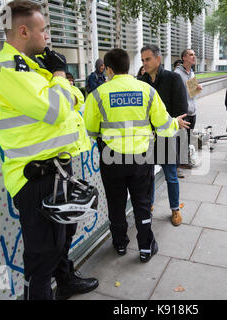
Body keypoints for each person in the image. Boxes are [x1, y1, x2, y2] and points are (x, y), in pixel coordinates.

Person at [0, 0, 98, 300]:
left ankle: (66, 282)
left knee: (61, 241)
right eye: (43, 30)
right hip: (35, 178)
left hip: (57, 170)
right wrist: (59, 77)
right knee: (41, 258)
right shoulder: (5, 69)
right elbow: (59, 108)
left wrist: (61, 86)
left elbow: (77, 99)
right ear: (23, 30)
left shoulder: (32, 67)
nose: (47, 36)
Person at [83, 48, 189, 262]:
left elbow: (90, 129)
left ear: (109, 69)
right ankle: (145, 248)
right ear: (128, 66)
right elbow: (163, 124)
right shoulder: (146, 90)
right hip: (141, 158)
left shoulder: (98, 94)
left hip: (111, 159)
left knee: (116, 203)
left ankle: (120, 244)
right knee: (142, 203)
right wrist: (174, 124)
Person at [140, 44, 188, 226]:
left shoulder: (173, 78)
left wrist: (166, 124)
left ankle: (175, 209)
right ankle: (150, 205)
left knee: (171, 176)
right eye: (142, 60)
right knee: (148, 175)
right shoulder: (141, 81)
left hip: (167, 136)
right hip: (147, 137)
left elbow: (182, 110)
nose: (144, 63)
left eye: (148, 59)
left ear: (158, 59)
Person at [174, 49, 203, 169]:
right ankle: (179, 162)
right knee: (181, 138)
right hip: (183, 112)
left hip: (192, 110)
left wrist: (197, 88)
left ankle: (184, 159)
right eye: (191, 55)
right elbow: (175, 94)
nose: (194, 57)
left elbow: (191, 93)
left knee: (188, 137)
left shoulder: (191, 72)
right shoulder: (177, 74)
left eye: (194, 55)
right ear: (184, 58)